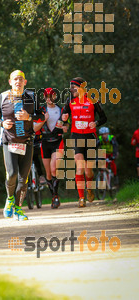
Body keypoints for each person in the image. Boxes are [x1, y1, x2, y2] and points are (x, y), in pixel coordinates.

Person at [0, 70, 44, 221]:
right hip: (9, 142)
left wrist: (29, 117)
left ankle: (18, 210)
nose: (18, 82)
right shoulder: (3, 97)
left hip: (27, 143)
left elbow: (41, 115)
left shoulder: (32, 97)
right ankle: (9, 199)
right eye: (15, 79)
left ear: (25, 82)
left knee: (23, 179)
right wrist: (1, 123)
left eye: (21, 79)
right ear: (10, 82)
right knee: (12, 173)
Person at [62, 77, 107, 208]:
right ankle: (81, 198)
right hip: (76, 137)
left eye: (73, 87)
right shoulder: (70, 101)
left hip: (90, 138)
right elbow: (64, 117)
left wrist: (96, 123)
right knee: (80, 167)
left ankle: (90, 189)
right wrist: (64, 119)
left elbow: (104, 118)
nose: (71, 90)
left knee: (89, 172)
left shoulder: (93, 100)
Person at [34, 88, 68, 208]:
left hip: (57, 142)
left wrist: (66, 127)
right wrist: (44, 120)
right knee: (48, 174)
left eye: (51, 95)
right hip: (45, 142)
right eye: (47, 96)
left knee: (54, 169)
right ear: (44, 97)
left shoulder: (61, 109)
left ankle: (55, 196)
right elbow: (35, 129)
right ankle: (54, 195)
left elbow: (67, 124)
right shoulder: (41, 111)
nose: (49, 98)